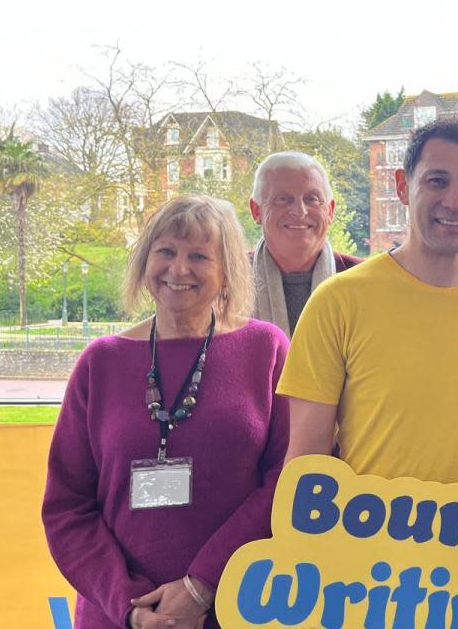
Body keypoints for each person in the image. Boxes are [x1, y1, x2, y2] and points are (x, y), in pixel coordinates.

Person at [42, 195, 289, 629]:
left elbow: (287, 478)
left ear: (227, 270)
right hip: (119, 617)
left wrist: (201, 586)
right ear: (144, 262)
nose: (179, 269)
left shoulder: (265, 349)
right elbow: (67, 508)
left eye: (199, 255)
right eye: (166, 252)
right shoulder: (100, 361)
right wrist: (131, 606)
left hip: (239, 605)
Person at [278, 117, 458, 488]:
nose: (454, 201)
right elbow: (307, 460)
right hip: (370, 543)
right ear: (403, 187)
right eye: (436, 181)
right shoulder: (337, 301)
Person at [249, 151, 361, 337]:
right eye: (283, 199)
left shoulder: (362, 281)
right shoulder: (225, 283)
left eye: (312, 199)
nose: (299, 211)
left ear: (330, 211)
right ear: (256, 211)